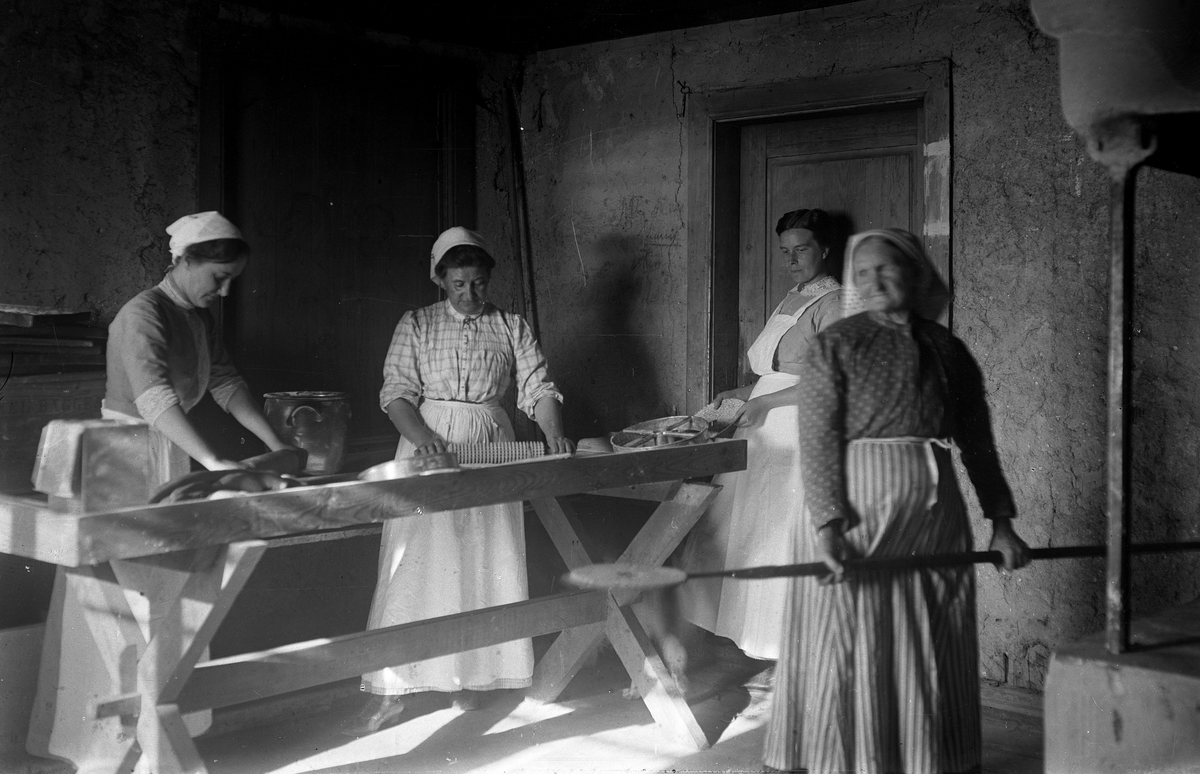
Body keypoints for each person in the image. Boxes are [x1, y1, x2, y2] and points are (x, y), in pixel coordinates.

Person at [27, 211, 294, 771]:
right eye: (218, 278)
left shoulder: (197, 316)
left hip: (169, 454)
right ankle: (103, 750)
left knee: (172, 596)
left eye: (231, 281)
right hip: (118, 458)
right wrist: (213, 459)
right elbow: (154, 401)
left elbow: (226, 383)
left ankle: (162, 738)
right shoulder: (141, 314)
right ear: (184, 261)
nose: (224, 291)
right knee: (120, 602)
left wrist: (276, 442)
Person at [762, 228, 1031, 774]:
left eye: (887, 268)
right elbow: (817, 438)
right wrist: (828, 527)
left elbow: (978, 441)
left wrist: (1001, 523)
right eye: (863, 273)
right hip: (853, 515)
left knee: (934, 629)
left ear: (915, 273)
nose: (875, 281)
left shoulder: (946, 348)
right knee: (852, 632)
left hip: (935, 517)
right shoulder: (837, 344)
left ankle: (928, 760)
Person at [348, 226, 574, 735]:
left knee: (483, 558)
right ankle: (391, 689)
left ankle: (473, 677)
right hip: (428, 445)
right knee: (416, 564)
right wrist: (424, 438)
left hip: (491, 444)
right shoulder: (417, 323)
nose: (469, 294)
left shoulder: (510, 325)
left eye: (478, 284)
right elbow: (396, 393)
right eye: (458, 284)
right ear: (439, 280)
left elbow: (538, 387)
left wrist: (554, 433)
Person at [676, 208, 843, 666]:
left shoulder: (836, 303)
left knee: (782, 532)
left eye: (802, 250)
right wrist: (741, 394)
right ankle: (744, 637)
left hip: (799, 426)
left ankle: (791, 652)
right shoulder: (792, 298)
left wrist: (765, 402)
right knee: (744, 531)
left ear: (825, 249)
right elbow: (774, 373)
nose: (792, 260)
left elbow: (833, 380)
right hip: (763, 426)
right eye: (785, 252)